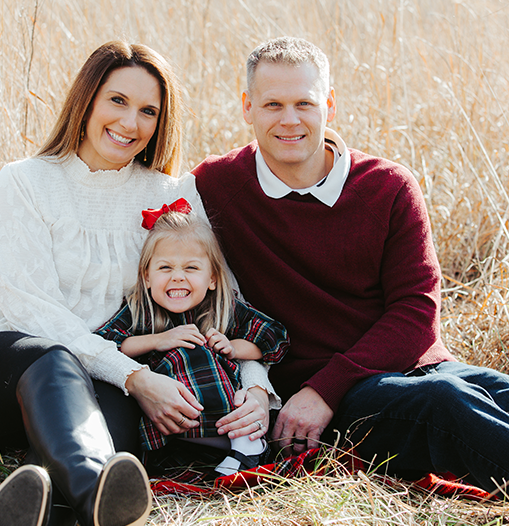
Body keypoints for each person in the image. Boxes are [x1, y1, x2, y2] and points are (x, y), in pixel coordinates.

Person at [0, 41, 272, 526]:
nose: (130, 122)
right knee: (52, 356)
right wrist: (136, 375)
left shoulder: (172, 194)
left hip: (104, 387)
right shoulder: (26, 180)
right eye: (117, 100)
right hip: (6, 367)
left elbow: (223, 305)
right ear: (87, 99)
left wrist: (255, 386)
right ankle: (105, 499)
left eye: (148, 111)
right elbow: (30, 307)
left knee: (111, 433)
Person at [192, 36, 509, 494]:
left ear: (330, 105)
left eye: (305, 103)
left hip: (411, 368)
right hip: (332, 397)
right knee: (446, 404)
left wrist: (328, 386)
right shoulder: (217, 187)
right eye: (272, 104)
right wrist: (322, 391)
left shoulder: (388, 186)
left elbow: (417, 312)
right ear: (247, 107)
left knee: (493, 390)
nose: (289, 120)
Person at [96, 207, 289, 476]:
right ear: (147, 276)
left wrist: (233, 347)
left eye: (191, 268)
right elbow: (108, 344)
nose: (177, 276)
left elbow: (273, 336)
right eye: (165, 267)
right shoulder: (139, 309)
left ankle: (247, 445)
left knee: (196, 351)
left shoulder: (224, 307)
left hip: (225, 416)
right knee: (179, 353)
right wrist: (158, 340)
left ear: (211, 278)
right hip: (168, 419)